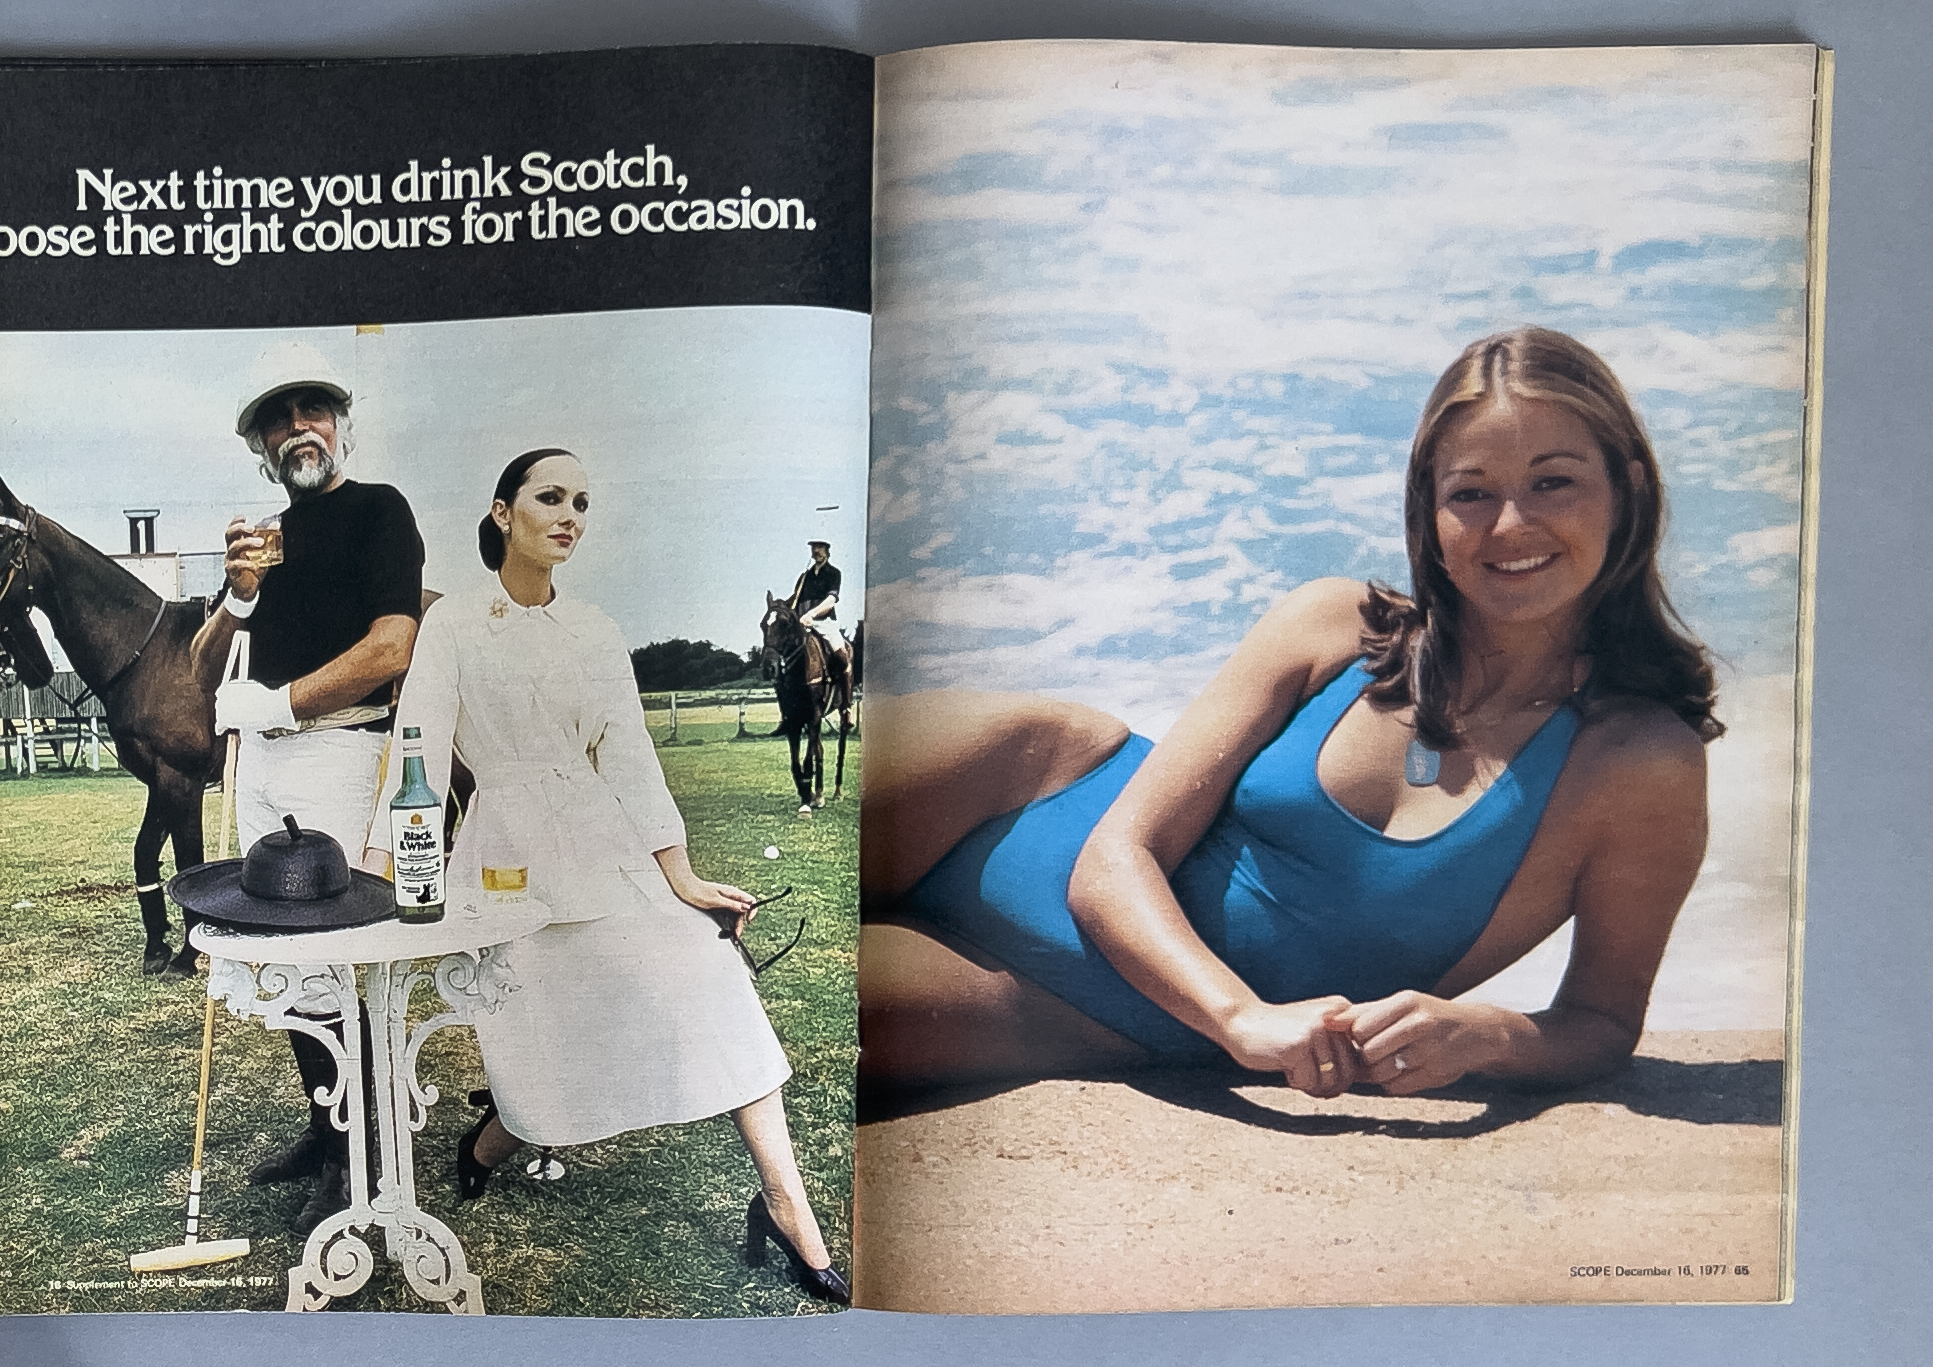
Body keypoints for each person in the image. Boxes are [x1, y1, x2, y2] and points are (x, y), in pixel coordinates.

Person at [859, 326, 1720, 1101]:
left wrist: (1487, 1033)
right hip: (1025, 778)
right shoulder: (1332, 625)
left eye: (1553, 481)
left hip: (1064, 1007)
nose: (1510, 523)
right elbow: (1113, 856)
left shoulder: (1637, 761)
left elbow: (1602, 1022)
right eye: (1470, 492)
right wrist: (1239, 1018)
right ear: (1428, 503)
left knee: (772, 1006)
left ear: (1626, 488)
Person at [363, 447, 847, 1303]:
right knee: (543, 1043)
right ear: (502, 512)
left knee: (710, 975)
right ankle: (486, 1143)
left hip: (604, 840)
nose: (569, 515)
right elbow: (419, 751)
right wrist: (383, 869)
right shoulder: (455, 625)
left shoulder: (595, 629)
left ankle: (785, 1203)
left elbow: (628, 755)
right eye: (550, 497)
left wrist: (683, 876)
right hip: (506, 863)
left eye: (581, 501)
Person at [190, 346, 425, 1234]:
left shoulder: (378, 512)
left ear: (341, 425)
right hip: (263, 766)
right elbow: (202, 669)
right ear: (259, 444)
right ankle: (330, 1133)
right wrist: (241, 598)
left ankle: (362, 1154)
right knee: (289, 964)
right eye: (277, 417)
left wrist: (282, 703)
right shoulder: (262, 542)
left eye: (312, 409)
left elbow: (391, 646)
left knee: (341, 960)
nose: (298, 427)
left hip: (338, 754)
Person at [783, 539, 848, 686]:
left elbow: (831, 600)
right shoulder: (804, 576)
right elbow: (795, 599)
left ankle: (845, 704)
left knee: (842, 656)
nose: (816, 551)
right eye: (814, 548)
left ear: (827, 552)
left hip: (824, 622)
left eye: (820, 547)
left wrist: (812, 614)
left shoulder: (834, 573)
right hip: (801, 624)